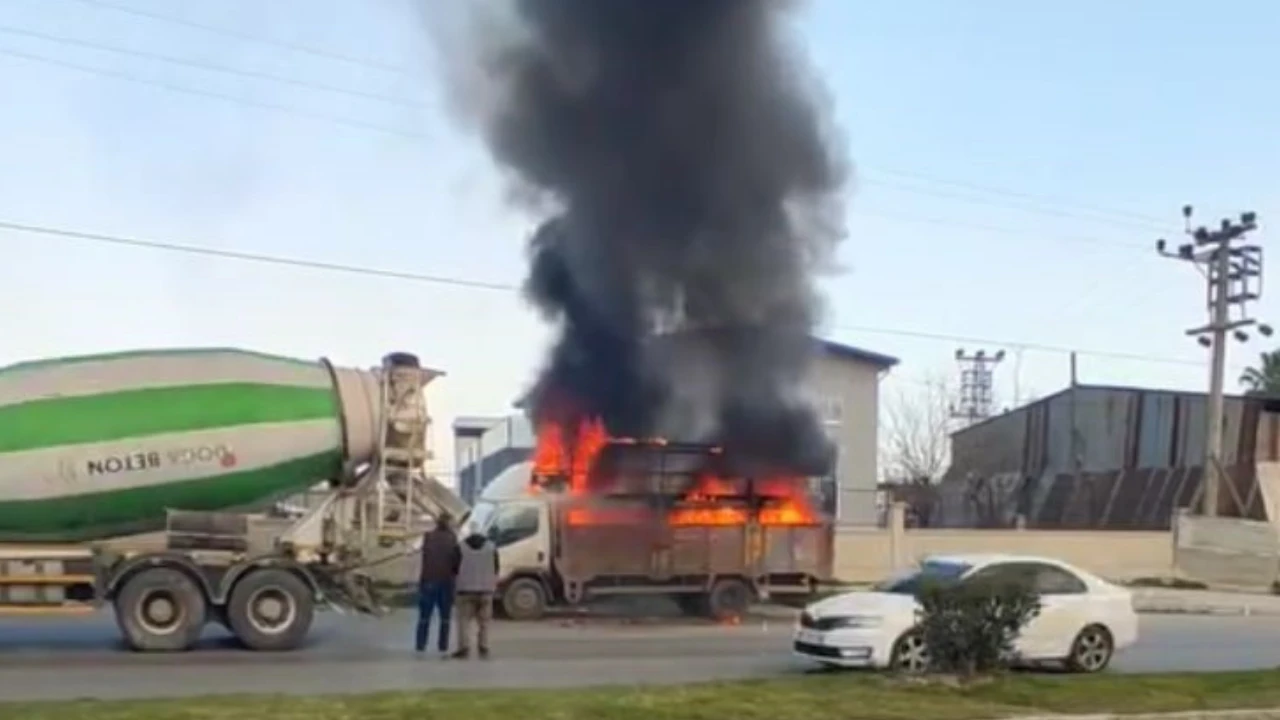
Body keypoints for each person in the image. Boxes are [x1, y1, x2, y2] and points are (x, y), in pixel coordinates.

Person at [451, 523, 499, 660]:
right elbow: (496, 568)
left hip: (465, 590)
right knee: (484, 622)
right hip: (486, 590)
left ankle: (464, 648)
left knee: (464, 621)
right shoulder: (491, 547)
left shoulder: (460, 547)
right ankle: (483, 646)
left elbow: (454, 568)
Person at [415, 511, 460, 657]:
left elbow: (417, 551)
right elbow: (456, 562)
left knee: (424, 617)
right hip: (446, 582)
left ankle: (420, 645)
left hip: (428, 580)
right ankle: (442, 646)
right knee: (445, 618)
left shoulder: (427, 537)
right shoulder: (452, 539)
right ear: (448, 524)